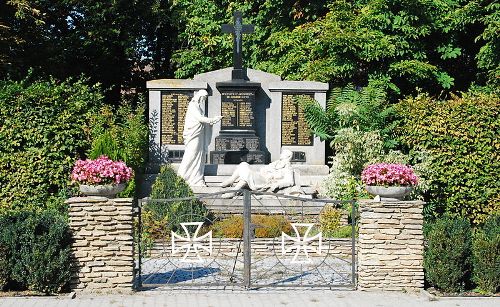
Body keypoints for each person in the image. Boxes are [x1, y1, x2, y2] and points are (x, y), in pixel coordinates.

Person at [178, 90, 223, 186]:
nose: (204, 100)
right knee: (191, 154)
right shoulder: (193, 105)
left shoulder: (199, 107)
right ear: (200, 96)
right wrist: (213, 120)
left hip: (199, 134)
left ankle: (196, 177)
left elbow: (203, 120)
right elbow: (200, 119)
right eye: (204, 98)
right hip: (193, 134)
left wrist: (211, 122)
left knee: (199, 155)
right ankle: (181, 177)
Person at [220, 149, 296, 192]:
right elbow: (264, 168)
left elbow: (290, 181)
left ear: (288, 156)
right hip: (261, 176)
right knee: (243, 164)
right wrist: (265, 171)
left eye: (283, 153)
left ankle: (234, 191)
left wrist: (277, 184)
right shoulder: (276, 163)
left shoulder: (288, 168)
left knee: (248, 175)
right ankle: (231, 180)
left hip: (266, 182)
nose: (281, 154)